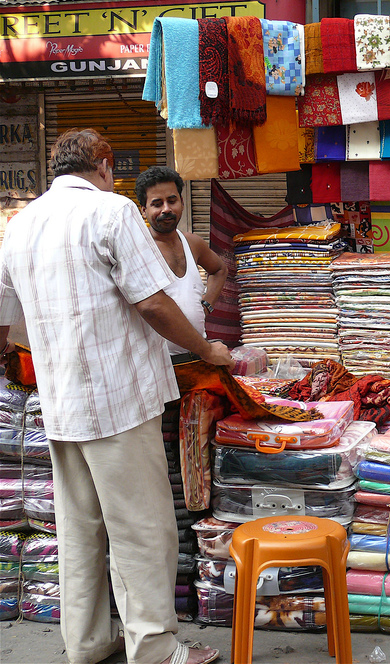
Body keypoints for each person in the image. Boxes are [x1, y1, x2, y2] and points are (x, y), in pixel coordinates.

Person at [0, 129, 231, 664]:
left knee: (79, 532)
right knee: (143, 529)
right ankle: (153, 647)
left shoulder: (20, 225)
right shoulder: (113, 211)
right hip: (118, 400)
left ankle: (86, 643)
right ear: (104, 165)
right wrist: (206, 349)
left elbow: (4, 327)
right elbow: (152, 304)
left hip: (61, 407)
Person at [135, 166, 227, 360]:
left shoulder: (193, 243)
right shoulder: (136, 249)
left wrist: (207, 304)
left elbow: (219, 269)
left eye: (172, 200)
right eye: (157, 204)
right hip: (157, 363)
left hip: (198, 356)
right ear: (144, 210)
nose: (166, 209)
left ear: (182, 203)